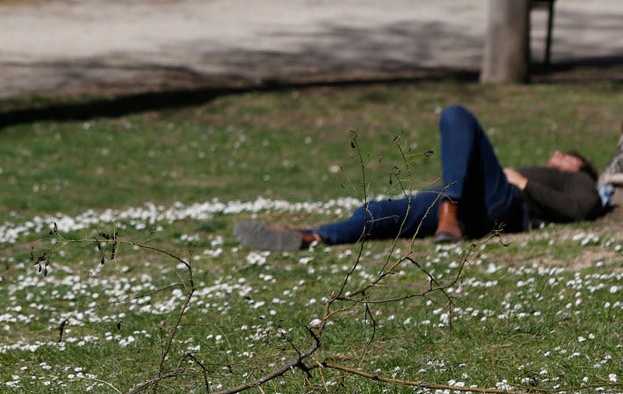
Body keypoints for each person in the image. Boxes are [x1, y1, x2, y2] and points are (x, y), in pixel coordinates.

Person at [234, 104, 605, 251]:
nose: (557, 155)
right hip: (470, 206)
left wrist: (522, 184)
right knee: (384, 210)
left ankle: (449, 209)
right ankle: (311, 236)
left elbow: (584, 206)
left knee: (457, 116)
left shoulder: (581, 182)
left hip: (504, 206)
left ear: (581, 166)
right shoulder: (552, 173)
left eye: (567, 156)